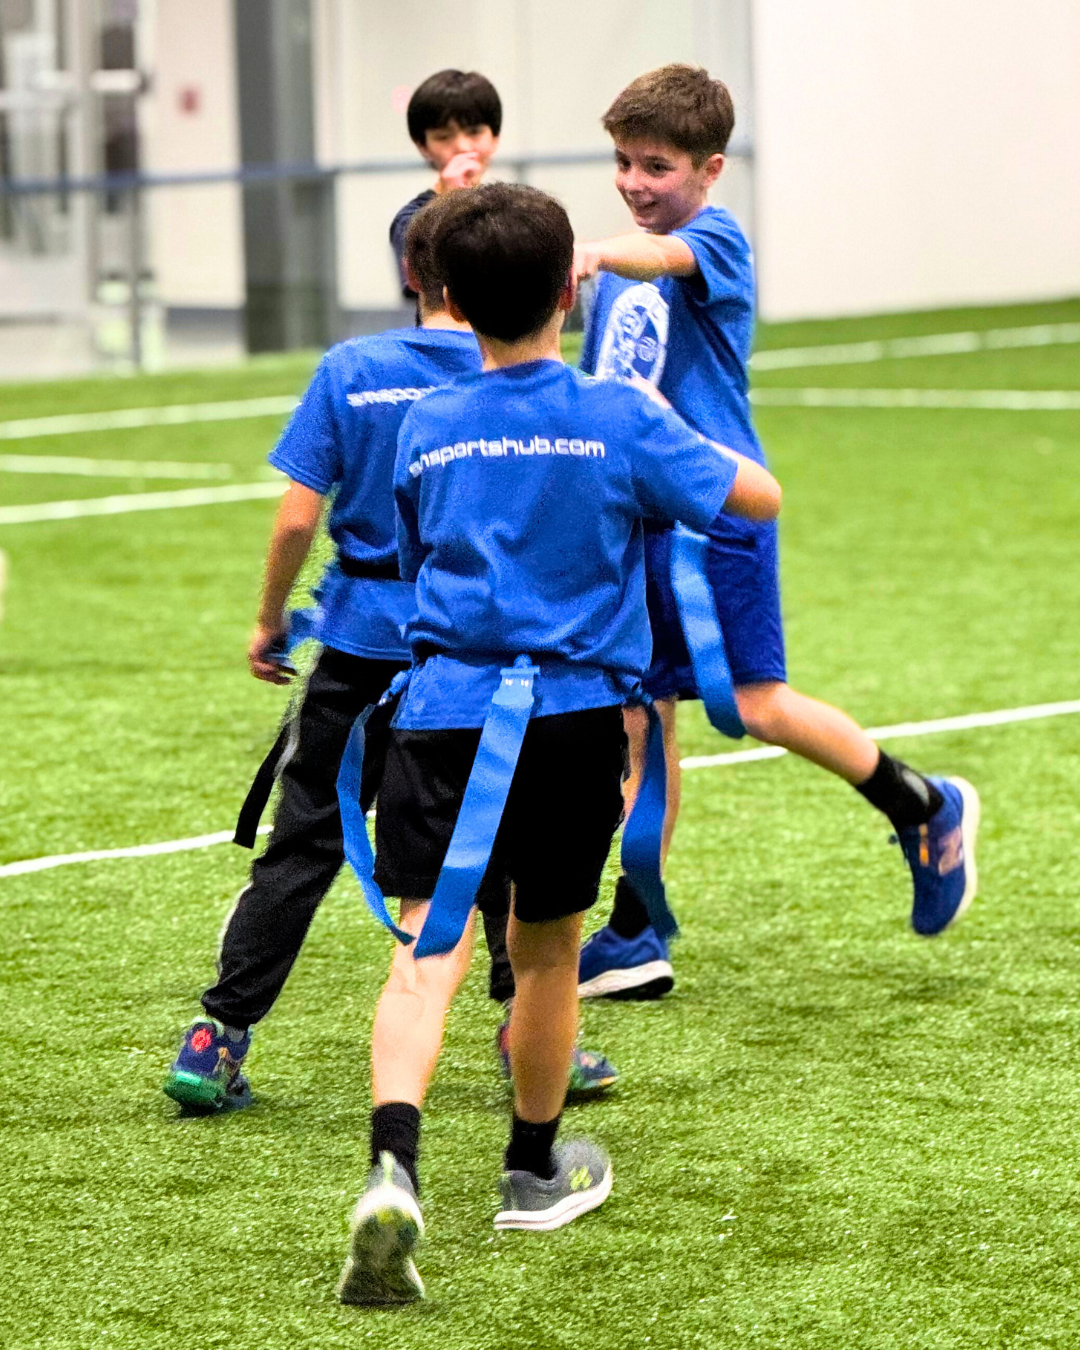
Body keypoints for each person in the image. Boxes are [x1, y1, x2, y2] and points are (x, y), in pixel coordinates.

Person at [337, 181, 781, 1304]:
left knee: (423, 954)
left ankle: (393, 1169)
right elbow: (758, 499)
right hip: (574, 722)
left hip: (443, 715)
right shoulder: (619, 416)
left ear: (446, 294)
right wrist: (676, 434)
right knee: (543, 953)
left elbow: (412, 551)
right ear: (570, 293)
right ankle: (532, 1171)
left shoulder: (426, 422)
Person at [163, 197, 616, 1114]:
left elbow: (297, 518)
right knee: (502, 841)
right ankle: (531, 1037)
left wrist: (269, 620)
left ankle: (218, 1035)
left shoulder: (353, 369)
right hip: (470, 655)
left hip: (359, 643)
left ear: (413, 273)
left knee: (304, 843)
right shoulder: (518, 377)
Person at [573, 64, 980, 1001]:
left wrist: (589, 251)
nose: (635, 182)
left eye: (657, 166)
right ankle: (635, 933)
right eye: (623, 162)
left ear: (709, 170)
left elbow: (662, 259)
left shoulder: (711, 240)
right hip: (634, 525)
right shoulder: (621, 267)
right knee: (641, 721)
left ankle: (924, 804)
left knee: (755, 704)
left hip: (719, 518)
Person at [388, 69, 502, 300]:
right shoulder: (409, 219)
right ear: (423, 146)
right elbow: (425, 288)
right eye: (443, 136)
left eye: (475, 132)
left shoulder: (512, 210)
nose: (462, 146)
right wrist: (452, 204)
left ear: (495, 138)